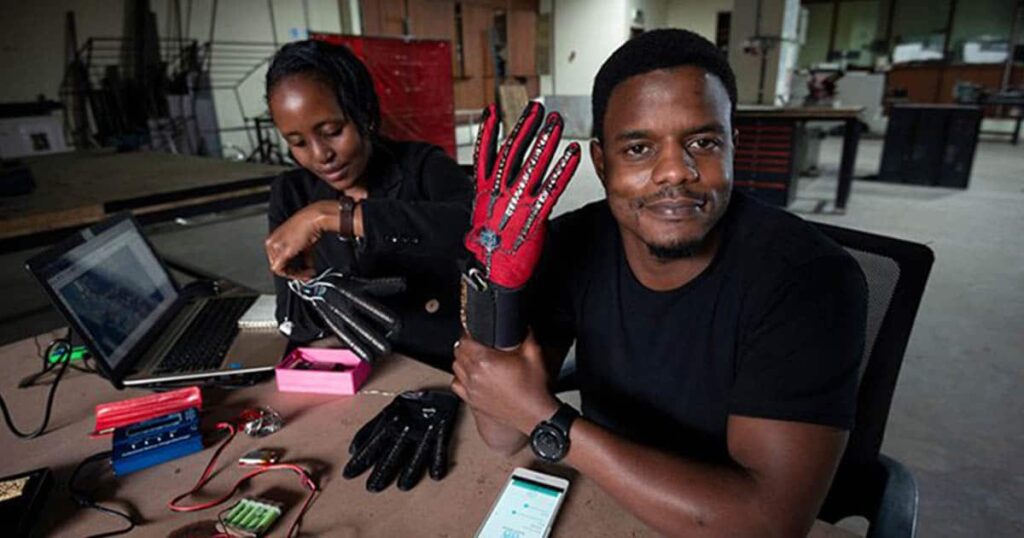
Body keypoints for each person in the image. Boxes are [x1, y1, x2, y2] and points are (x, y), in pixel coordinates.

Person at [451, 29, 868, 537]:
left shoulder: (810, 280)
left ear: (734, 143)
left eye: (703, 142)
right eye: (639, 148)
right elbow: (499, 434)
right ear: (601, 164)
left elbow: (768, 525)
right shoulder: (573, 243)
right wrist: (496, 288)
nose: (675, 171)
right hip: (609, 500)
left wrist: (550, 422)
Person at [264, 39, 472, 369]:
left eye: (332, 131)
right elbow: (294, 323)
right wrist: (313, 287)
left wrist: (333, 216)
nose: (320, 155)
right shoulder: (291, 194)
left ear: (366, 114)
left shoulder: (423, 168)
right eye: (298, 143)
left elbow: (474, 228)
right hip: (353, 374)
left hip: (437, 367)